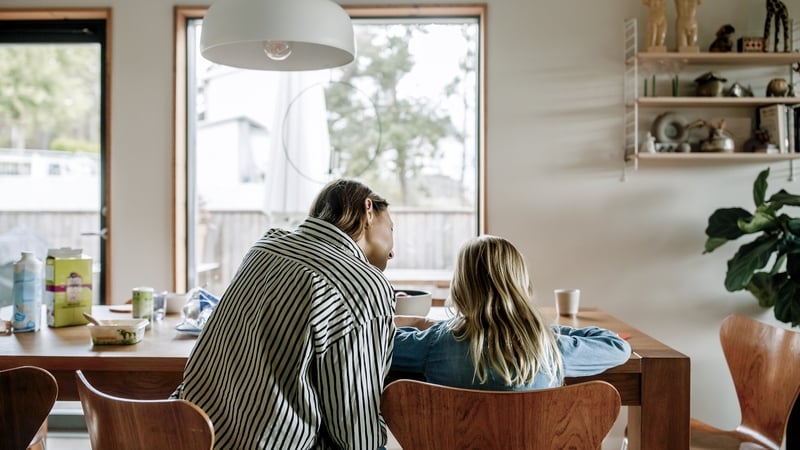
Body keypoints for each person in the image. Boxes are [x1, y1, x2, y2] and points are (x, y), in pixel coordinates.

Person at [174, 179, 396, 449]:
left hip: (186, 434)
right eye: (392, 228)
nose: (393, 251)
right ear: (369, 210)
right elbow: (355, 434)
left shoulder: (264, 247)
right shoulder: (365, 285)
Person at [392, 235, 631, 390]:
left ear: (461, 286)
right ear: (520, 285)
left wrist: (420, 324)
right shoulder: (547, 346)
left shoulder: (434, 344)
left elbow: (373, 343)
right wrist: (541, 329)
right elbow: (618, 347)